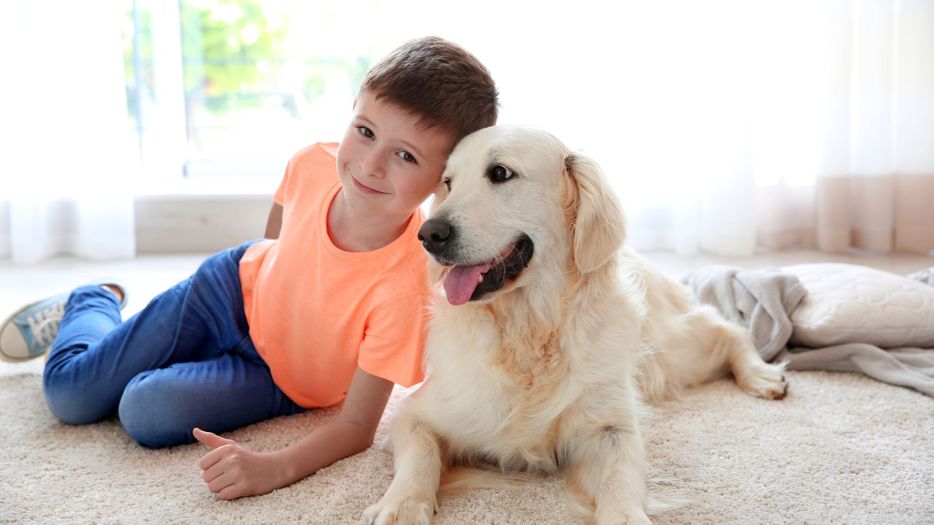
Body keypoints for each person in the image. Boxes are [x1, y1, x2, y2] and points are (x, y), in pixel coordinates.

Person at [0, 36, 498, 500]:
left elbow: (358, 427)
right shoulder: (312, 164)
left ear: (444, 179)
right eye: (364, 131)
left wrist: (273, 467)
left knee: (144, 412)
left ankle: (133, 346)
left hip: (280, 381)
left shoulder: (407, 287)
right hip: (224, 293)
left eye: (405, 156)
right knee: (70, 396)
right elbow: (274, 242)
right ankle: (94, 300)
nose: (369, 165)